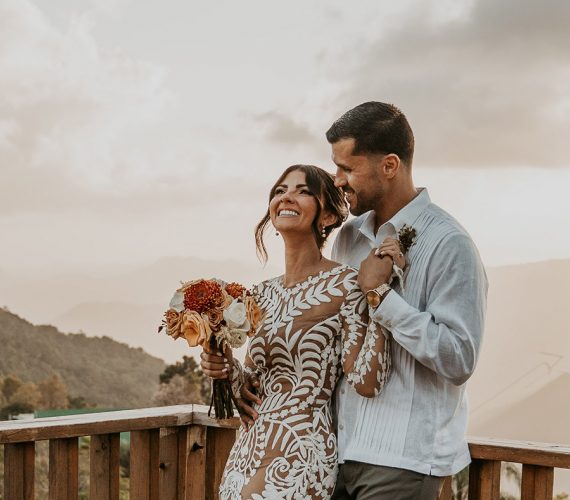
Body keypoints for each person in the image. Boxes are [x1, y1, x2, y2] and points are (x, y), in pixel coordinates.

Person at [327, 101, 488, 499]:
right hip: (338, 453)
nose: (338, 180)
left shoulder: (450, 243)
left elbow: (459, 357)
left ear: (389, 165)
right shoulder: (348, 238)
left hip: (403, 460)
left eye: (348, 168)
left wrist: (381, 298)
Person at [205, 164, 390, 500]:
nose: (287, 196)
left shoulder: (346, 285)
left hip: (300, 452)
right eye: (280, 190)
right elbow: (251, 385)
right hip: (247, 451)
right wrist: (224, 366)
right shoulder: (260, 295)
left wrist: (377, 293)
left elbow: (368, 382)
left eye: (303, 191)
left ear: (328, 216)